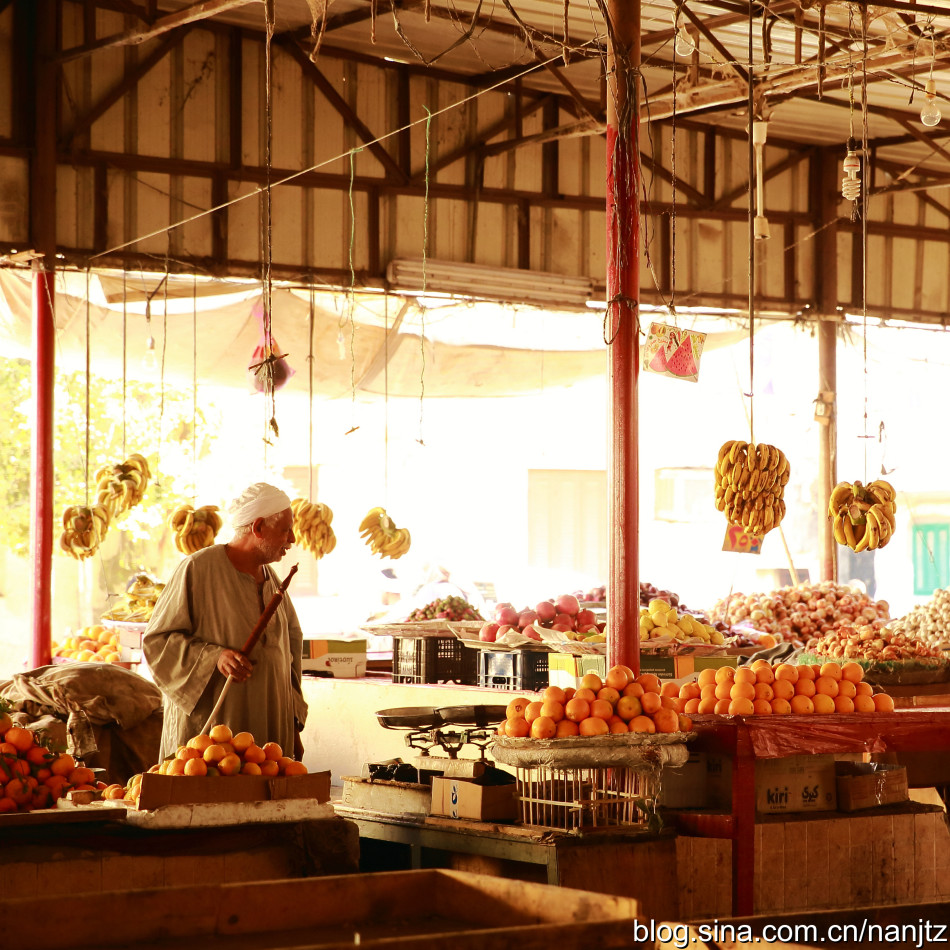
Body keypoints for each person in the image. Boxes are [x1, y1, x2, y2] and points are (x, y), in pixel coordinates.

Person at [143, 482, 308, 761]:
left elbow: (290, 653)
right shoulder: (197, 569)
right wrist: (214, 657)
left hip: (269, 735)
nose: (292, 539)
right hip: (212, 738)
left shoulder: (273, 580)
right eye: (285, 530)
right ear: (257, 528)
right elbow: (158, 642)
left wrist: (293, 726)